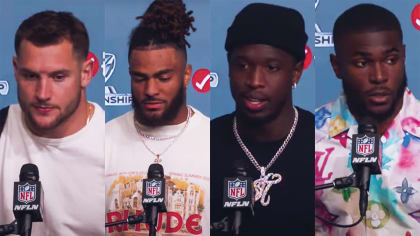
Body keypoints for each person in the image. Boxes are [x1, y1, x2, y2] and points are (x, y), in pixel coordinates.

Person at [105, 0, 210, 235]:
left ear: (186, 75)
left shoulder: (214, 142)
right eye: (140, 78)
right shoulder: (105, 140)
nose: (150, 89)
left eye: (163, 77)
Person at [315, 4, 420, 235]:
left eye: (391, 60)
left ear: (403, 56)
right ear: (336, 66)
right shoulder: (309, 136)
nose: (379, 77)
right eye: (362, 64)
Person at [210, 3, 314, 235]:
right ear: (229, 67)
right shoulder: (202, 142)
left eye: (272, 67)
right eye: (243, 65)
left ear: (295, 72)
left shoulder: (322, 144)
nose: (255, 80)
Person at [0, 11, 105, 235]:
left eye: (58, 77)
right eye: (31, 76)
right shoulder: (2, 131)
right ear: (16, 71)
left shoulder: (113, 147)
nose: (43, 94)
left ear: (86, 73)